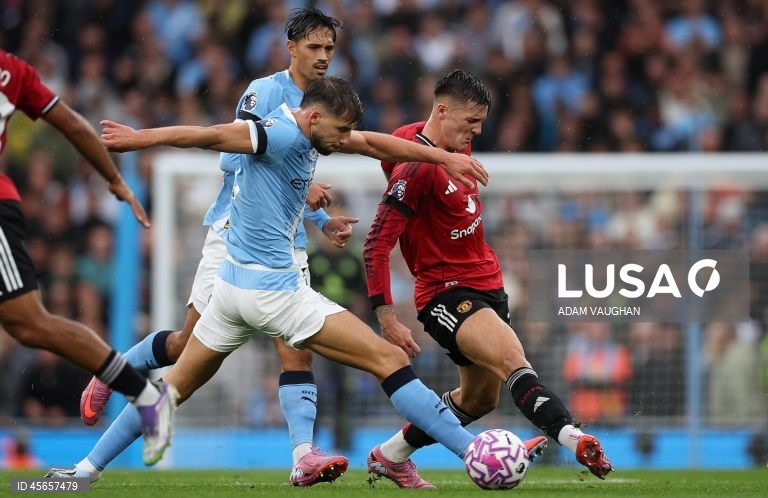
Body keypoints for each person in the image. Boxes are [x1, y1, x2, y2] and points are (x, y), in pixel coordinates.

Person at [47, 75, 488, 486]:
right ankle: (475, 453)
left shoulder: (317, 131)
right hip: (275, 292)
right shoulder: (274, 131)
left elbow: (373, 142)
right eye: (338, 131)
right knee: (389, 359)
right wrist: (142, 138)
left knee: (168, 392)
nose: (341, 140)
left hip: (231, 293)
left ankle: (82, 472)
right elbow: (209, 136)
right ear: (315, 117)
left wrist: (442, 155)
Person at [70, 8, 354, 486]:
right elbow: (232, 154)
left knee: (296, 347)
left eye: (329, 48)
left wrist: (321, 219)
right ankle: (115, 371)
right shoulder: (264, 93)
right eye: (314, 47)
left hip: (284, 242)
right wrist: (301, 190)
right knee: (185, 347)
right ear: (291, 47)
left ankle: (303, 455)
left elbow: (302, 174)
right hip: (235, 230)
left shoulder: (329, 101)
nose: (323, 56)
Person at [362, 70, 614, 489]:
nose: (477, 132)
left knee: (479, 399)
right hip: (446, 294)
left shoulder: (447, 141)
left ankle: (389, 455)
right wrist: (386, 316)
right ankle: (575, 439)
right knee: (514, 361)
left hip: (489, 286)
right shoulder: (415, 169)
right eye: (471, 122)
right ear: (442, 112)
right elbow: (375, 245)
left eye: (480, 122)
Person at [0, 48, 175, 466]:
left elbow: (73, 125)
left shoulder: (10, 72)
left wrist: (114, 179)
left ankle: (145, 396)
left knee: (29, 323)